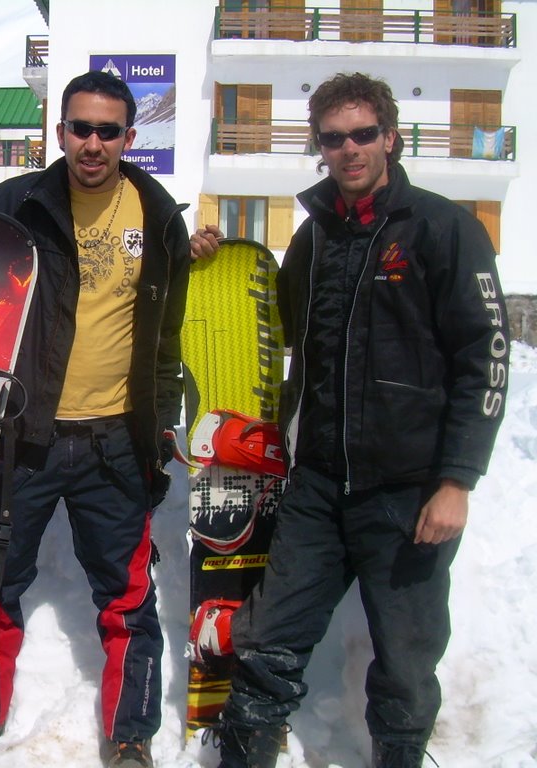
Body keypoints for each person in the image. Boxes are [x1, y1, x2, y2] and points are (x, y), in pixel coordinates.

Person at [0, 70, 218, 768]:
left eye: (108, 130)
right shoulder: (18, 201)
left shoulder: (158, 213)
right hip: (27, 438)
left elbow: (168, 333)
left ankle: (130, 736)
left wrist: (161, 424)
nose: (92, 142)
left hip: (116, 440)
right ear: (60, 133)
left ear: (128, 138)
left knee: (129, 601)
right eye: (80, 127)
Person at [212, 72, 509, 767]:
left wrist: (457, 480)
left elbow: (485, 360)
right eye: (334, 138)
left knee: (406, 658)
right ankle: (245, 752)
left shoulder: (445, 229)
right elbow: (276, 330)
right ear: (320, 146)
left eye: (363, 134)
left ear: (391, 137)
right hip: (318, 486)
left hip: (408, 492)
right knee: (269, 635)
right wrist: (213, 262)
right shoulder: (313, 241)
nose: (349, 149)